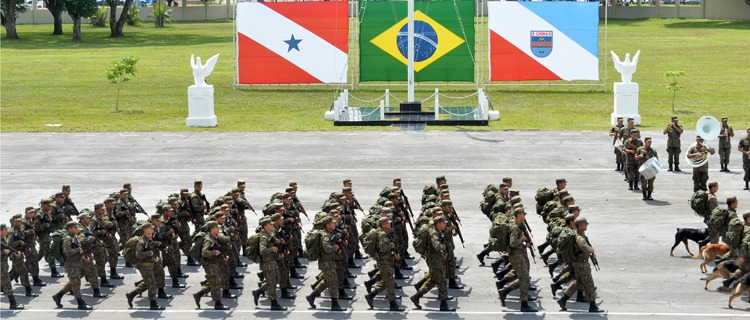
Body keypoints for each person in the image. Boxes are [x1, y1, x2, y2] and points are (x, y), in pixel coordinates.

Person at [557, 217, 603, 313]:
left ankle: (563, 300)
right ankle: (593, 306)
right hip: (581, 264)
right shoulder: (580, 238)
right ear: (580, 225)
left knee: (579, 283)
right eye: (585, 224)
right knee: (589, 284)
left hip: (578, 263)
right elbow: (585, 248)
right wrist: (591, 250)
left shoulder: (579, 235)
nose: (586, 226)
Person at [410, 216, 455, 312]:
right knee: (442, 281)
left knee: (433, 280)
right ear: (439, 224)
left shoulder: (437, 231)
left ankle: (416, 296)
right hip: (435, 260)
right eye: (444, 223)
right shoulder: (434, 233)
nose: (445, 224)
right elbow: (437, 246)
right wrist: (442, 247)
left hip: (435, 259)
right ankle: (444, 305)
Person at [499, 208, 537, 312]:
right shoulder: (515, 227)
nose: (524, 215)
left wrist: (525, 243)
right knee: (525, 278)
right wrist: (521, 239)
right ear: (518, 215)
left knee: (523, 277)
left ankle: (505, 291)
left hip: (520, 253)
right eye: (523, 214)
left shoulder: (519, 226)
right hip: (516, 256)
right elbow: (512, 243)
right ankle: (524, 304)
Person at [306, 216, 347, 311]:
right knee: (333, 282)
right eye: (333, 223)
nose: (335, 224)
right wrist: (335, 247)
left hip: (330, 261)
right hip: (326, 263)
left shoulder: (330, 233)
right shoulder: (325, 235)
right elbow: (327, 249)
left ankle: (312, 296)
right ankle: (335, 304)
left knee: (327, 281)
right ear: (327, 225)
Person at [365, 217, 405, 311]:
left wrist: (394, 254)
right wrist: (391, 245)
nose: (390, 223)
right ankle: (392, 304)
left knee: (385, 282)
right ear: (383, 224)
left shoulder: (385, 233)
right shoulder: (382, 235)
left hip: (387, 260)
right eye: (388, 222)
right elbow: (383, 249)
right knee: (390, 282)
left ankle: (371, 296)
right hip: (384, 261)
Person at [51, 221, 93, 310]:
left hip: (77, 263)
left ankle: (58, 296)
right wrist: (78, 250)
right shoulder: (67, 239)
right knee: (76, 284)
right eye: (75, 227)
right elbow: (67, 252)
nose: (77, 228)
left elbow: (79, 248)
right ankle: (81, 303)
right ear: (69, 228)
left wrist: (85, 257)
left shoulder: (74, 237)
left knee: (73, 282)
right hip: (71, 265)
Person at [125, 223, 166, 310]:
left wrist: (154, 257)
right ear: (146, 229)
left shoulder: (148, 239)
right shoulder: (142, 241)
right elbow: (138, 255)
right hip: (144, 266)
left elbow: (150, 250)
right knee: (152, 284)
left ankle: (131, 295)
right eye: (151, 228)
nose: (152, 230)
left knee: (149, 282)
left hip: (149, 264)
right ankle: (153, 304)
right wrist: (148, 253)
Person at [193, 221, 231, 310]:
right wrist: (214, 252)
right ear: (213, 229)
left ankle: (199, 294)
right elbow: (204, 252)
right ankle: (218, 304)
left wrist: (223, 257)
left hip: (214, 263)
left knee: (215, 282)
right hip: (210, 265)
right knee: (216, 283)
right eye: (217, 227)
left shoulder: (214, 238)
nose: (219, 229)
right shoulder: (208, 240)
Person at [255, 216, 287, 311]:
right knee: (272, 282)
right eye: (270, 224)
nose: (272, 225)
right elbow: (262, 250)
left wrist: (280, 241)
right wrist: (271, 249)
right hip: (267, 263)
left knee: (276, 279)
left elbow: (274, 241)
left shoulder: (270, 234)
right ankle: (274, 303)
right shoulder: (264, 237)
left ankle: (259, 291)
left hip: (272, 261)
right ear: (265, 226)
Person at [1, 224, 25, 310]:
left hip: (3, 265)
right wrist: (3, 251)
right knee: (7, 283)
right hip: (1, 267)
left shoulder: (3, 239)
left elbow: (8, 248)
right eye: (5, 230)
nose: (7, 232)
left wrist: (13, 252)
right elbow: (4, 250)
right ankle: (13, 303)